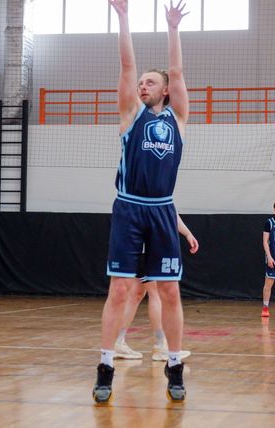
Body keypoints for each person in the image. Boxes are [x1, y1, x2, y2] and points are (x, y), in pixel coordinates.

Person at [93, 0, 190, 404]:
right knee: (120, 290)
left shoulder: (177, 118)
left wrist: (173, 29)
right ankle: (105, 365)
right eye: (142, 83)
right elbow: (127, 66)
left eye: (151, 82)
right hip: (129, 207)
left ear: (165, 90)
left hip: (163, 209)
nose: (143, 86)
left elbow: (178, 72)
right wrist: (123, 17)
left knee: (169, 292)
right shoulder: (131, 114)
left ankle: (174, 365)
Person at [115, 215, 199, 362]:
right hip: (146, 246)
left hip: (137, 245)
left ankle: (117, 342)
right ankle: (161, 346)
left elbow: (170, 210)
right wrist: (186, 233)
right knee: (155, 293)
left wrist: (187, 233)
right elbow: (169, 211)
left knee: (136, 293)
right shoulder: (149, 203)